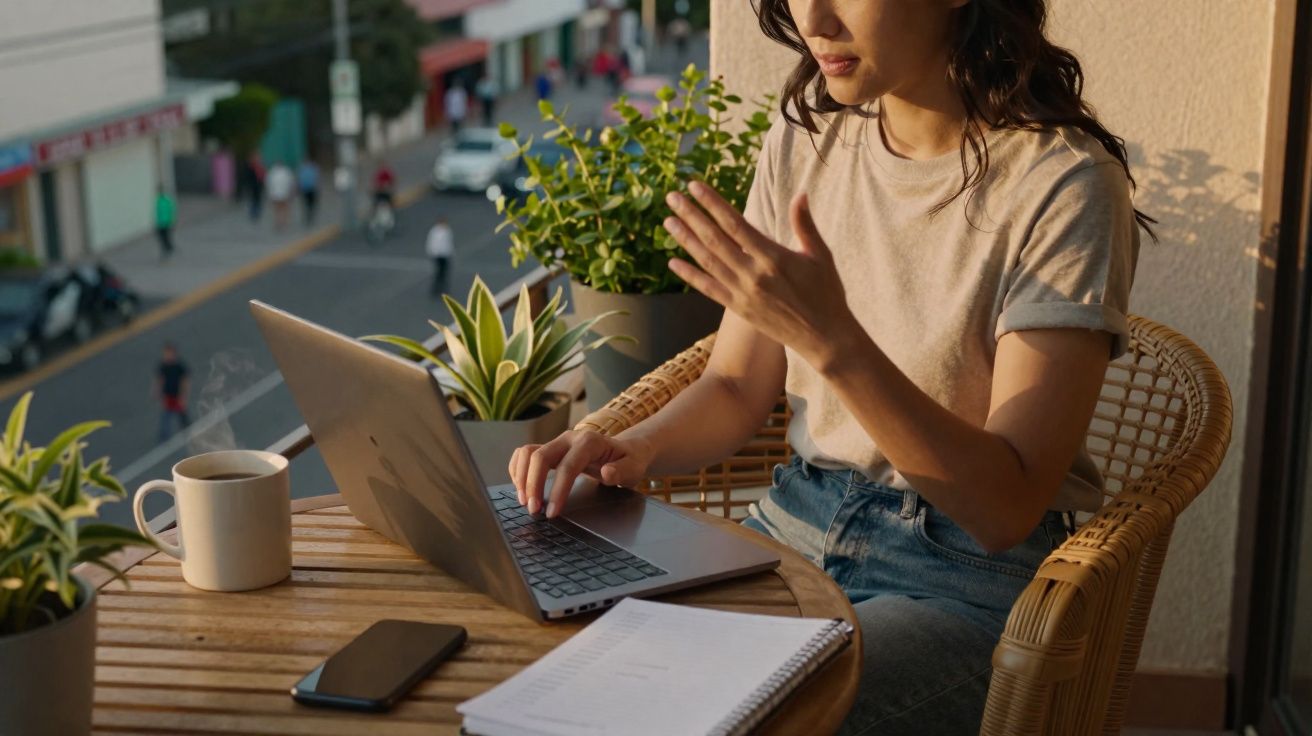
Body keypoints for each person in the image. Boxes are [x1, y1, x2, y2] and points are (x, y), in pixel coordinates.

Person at [506, 1, 1146, 734]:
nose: (813, 18)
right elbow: (735, 383)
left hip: (962, 577)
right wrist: (634, 445)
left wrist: (834, 342)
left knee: (739, 718)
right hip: (796, 523)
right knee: (578, 672)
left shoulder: (1063, 186)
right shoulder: (809, 140)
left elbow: (1005, 508)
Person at [156, 342, 190, 442]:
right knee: (166, 415)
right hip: (168, 395)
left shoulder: (179, 366)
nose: (167, 355)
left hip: (177, 394)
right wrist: (158, 391)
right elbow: (160, 379)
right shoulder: (163, 366)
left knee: (181, 412)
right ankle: (164, 434)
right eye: (166, 353)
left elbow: (185, 380)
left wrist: (184, 395)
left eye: (169, 353)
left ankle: (186, 426)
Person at [426, 216, 454, 295]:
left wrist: (450, 253)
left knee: (443, 273)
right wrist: (433, 252)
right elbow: (432, 243)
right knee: (439, 273)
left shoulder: (447, 231)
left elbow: (449, 243)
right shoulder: (435, 232)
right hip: (438, 255)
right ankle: (436, 289)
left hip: (445, 254)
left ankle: (442, 288)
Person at [266, 161, 294, 230]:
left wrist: (270, 194)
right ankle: (283, 222)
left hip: (276, 194)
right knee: (284, 208)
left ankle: (278, 222)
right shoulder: (286, 171)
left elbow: (268, 183)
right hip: (284, 193)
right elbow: (291, 182)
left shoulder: (272, 172)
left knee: (277, 209)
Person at [154, 185, 176, 260]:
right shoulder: (160, 200)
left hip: (165, 223)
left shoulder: (164, 201)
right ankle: (168, 248)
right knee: (163, 238)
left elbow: (171, 211)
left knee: (165, 238)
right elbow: (157, 213)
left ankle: (168, 249)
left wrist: (172, 221)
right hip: (161, 223)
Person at [298, 159, 320, 225]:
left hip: (305, 189)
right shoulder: (314, 168)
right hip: (310, 189)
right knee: (311, 204)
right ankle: (309, 214)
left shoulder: (302, 169)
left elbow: (299, 179)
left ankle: (308, 214)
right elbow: (317, 178)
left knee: (306, 203)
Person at [245, 153, 266, 222]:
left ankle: (257, 213)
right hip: (253, 187)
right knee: (253, 200)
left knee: (258, 200)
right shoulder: (250, 167)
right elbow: (248, 178)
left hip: (258, 187)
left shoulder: (260, 167)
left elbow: (263, 176)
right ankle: (253, 213)